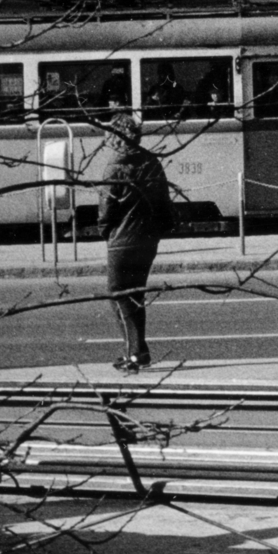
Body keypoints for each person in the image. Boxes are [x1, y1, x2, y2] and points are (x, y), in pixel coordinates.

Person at [98, 113, 176, 374]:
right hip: (148, 239)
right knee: (136, 295)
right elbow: (164, 202)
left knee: (119, 294)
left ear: (114, 137)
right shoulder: (152, 162)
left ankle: (134, 355)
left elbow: (106, 210)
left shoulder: (114, 166)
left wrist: (106, 232)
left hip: (121, 241)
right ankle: (137, 351)